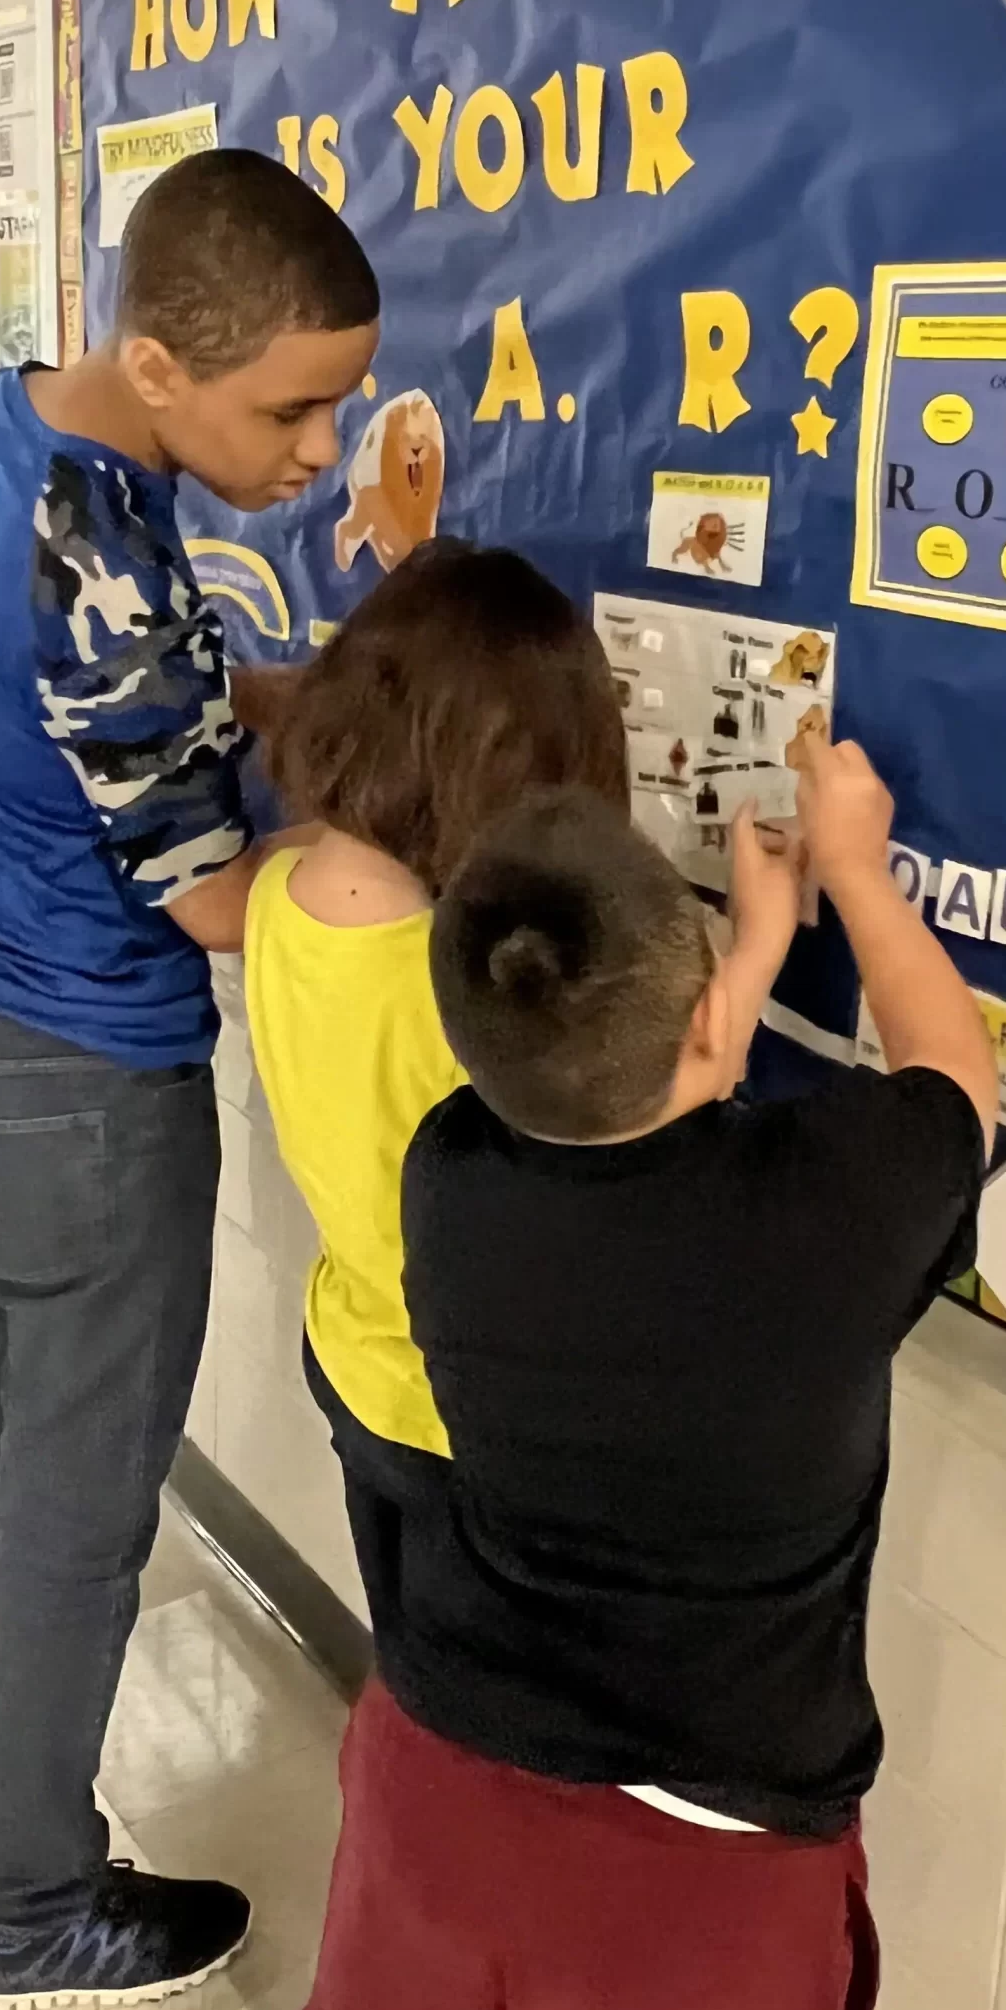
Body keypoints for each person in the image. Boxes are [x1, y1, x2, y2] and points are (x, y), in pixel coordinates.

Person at [0, 149, 381, 2010]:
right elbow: (211, 901)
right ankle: (21, 1914)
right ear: (167, 365)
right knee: (76, 1509)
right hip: (73, 1086)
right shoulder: (108, 549)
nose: (323, 451)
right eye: (293, 408)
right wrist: (391, 839)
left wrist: (283, 688)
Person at [296, 742, 998, 2010]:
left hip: (433, 1791)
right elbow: (953, 1077)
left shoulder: (450, 1173)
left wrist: (749, 945)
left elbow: (609, 1095)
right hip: (693, 1871)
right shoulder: (825, 1217)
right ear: (700, 1021)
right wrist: (852, 873)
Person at [242, 540, 628, 1686]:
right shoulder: (464, 987)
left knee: (416, 1669)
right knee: (498, 1709)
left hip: (356, 1359)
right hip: (471, 1413)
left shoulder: (276, 893)